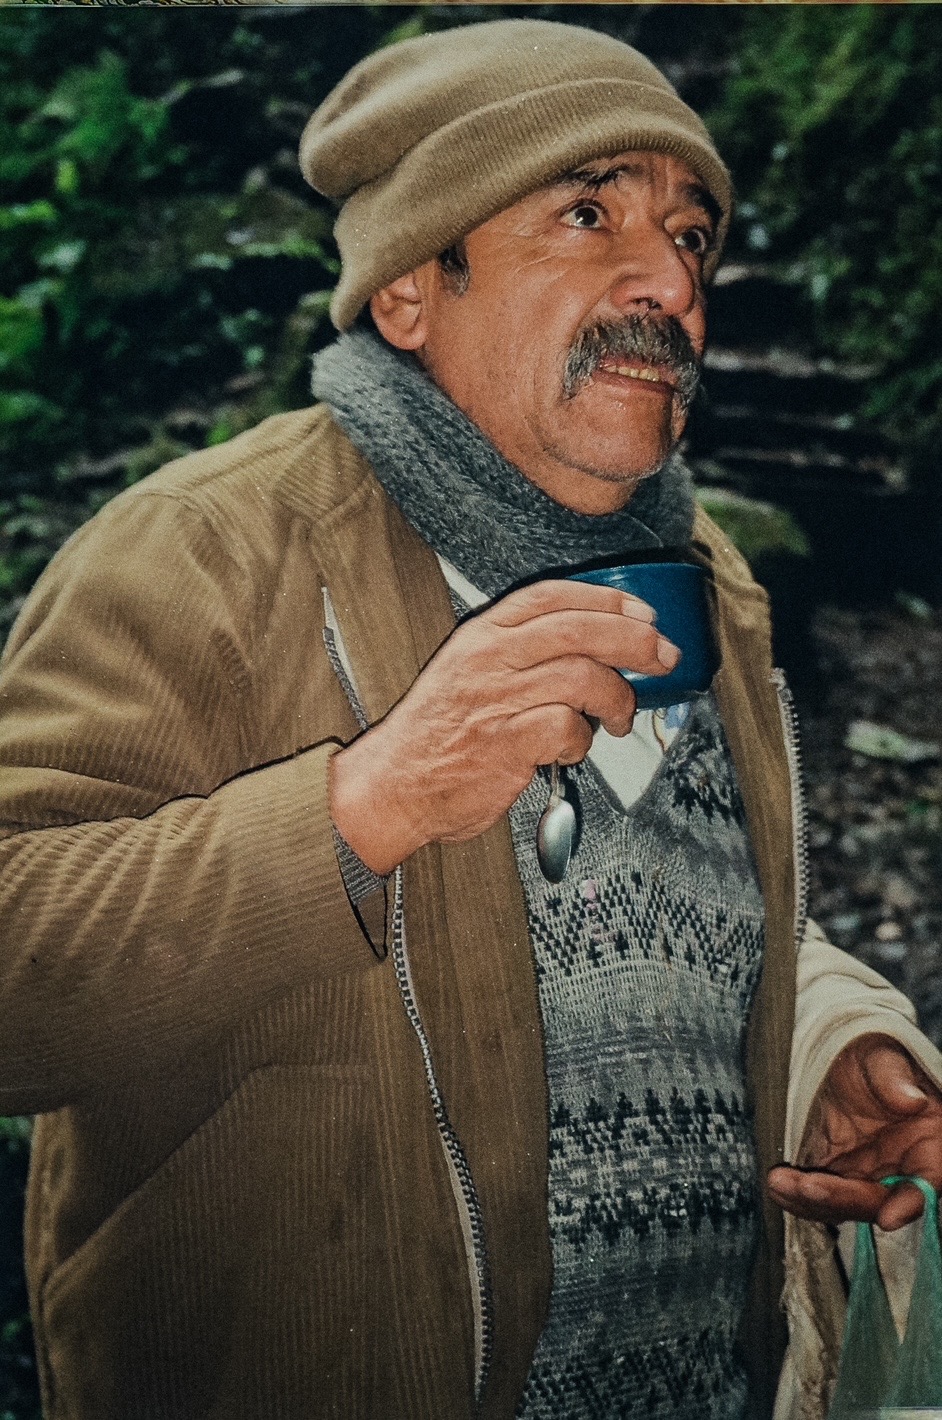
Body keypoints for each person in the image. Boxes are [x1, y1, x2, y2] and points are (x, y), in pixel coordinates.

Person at [0, 19, 940, 1420]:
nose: (671, 280)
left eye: (690, 235)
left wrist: (828, 1048)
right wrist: (362, 805)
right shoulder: (197, 557)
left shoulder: (709, 586)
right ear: (406, 292)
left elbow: (676, 920)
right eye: (587, 213)